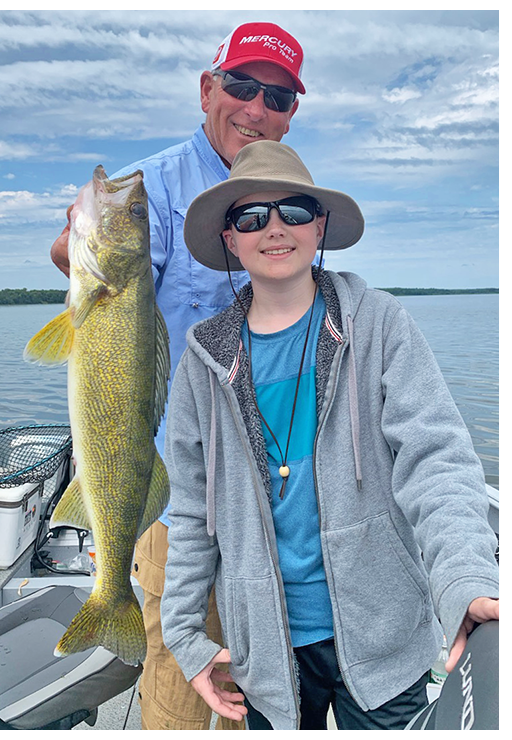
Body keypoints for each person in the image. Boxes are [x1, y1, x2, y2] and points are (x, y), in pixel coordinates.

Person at [161, 139, 499, 730]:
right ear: (230, 240)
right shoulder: (200, 361)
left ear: (319, 226)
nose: (274, 228)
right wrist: (186, 635)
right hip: (264, 649)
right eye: (250, 216)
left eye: (292, 210)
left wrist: (466, 577)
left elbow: (437, 460)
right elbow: (192, 511)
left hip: (385, 633)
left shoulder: (380, 322)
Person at [48, 21, 304, 729]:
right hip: (180, 482)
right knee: (183, 663)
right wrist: (79, 243)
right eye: (242, 87)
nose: (256, 109)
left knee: (263, 658)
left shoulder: (293, 197)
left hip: (278, 485)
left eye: (277, 97)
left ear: (291, 114)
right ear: (206, 90)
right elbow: (86, 261)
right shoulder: (155, 186)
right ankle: (115, 603)